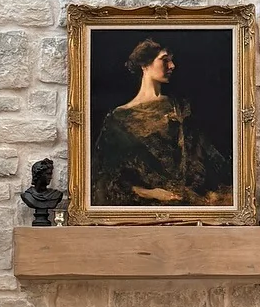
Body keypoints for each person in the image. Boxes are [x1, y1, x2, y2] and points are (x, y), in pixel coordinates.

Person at [92, 37, 232, 207]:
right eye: (165, 60)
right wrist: (151, 193)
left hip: (189, 203)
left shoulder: (180, 107)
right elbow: (106, 177)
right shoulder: (118, 119)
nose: (172, 66)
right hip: (143, 209)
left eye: (171, 60)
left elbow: (203, 155)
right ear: (144, 65)